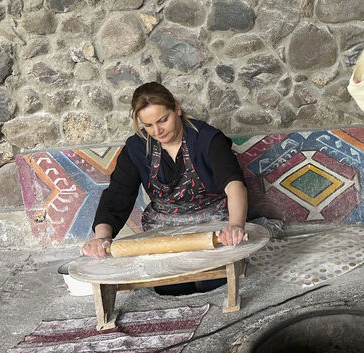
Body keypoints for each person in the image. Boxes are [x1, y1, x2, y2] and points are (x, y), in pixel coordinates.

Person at [80, 82, 249, 293]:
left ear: (177, 109)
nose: (157, 131)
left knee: (211, 282)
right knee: (169, 288)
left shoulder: (206, 138)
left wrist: (234, 226)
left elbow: (234, 184)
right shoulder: (137, 147)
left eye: (163, 120)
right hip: (163, 229)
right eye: (148, 125)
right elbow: (117, 195)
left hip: (212, 225)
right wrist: (101, 238)